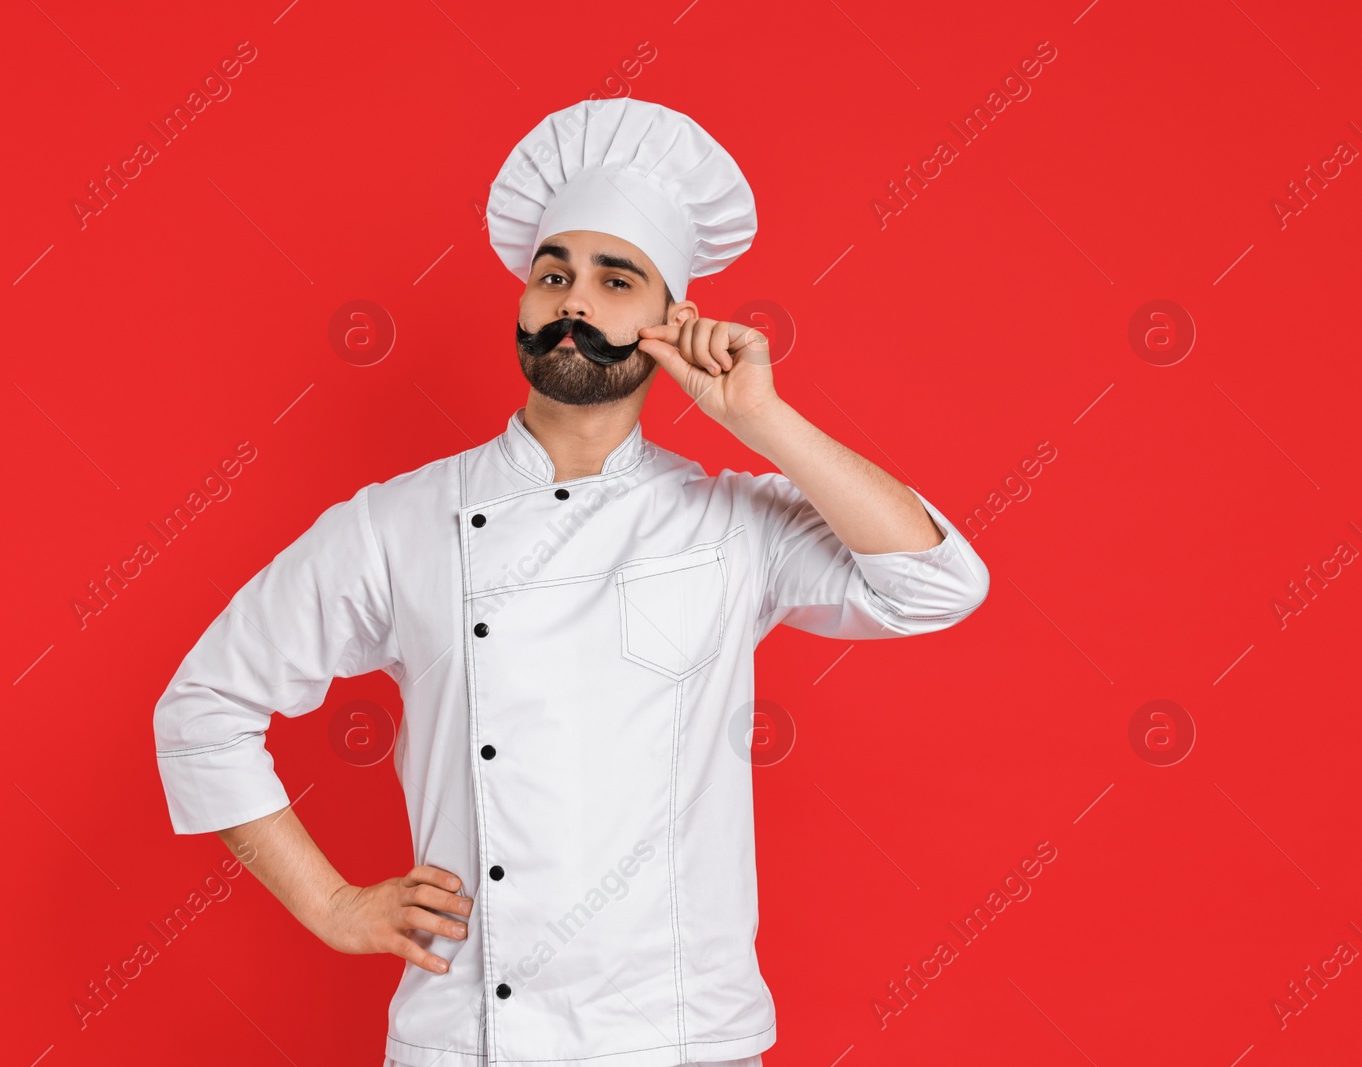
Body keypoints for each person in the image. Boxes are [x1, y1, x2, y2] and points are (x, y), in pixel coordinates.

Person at [152, 97, 990, 1067]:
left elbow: (935, 584)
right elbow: (204, 705)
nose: (573, 304)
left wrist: (760, 421)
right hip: (467, 1039)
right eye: (552, 275)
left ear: (671, 317)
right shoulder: (397, 521)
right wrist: (331, 902)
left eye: (613, 277)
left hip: (686, 1037)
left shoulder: (729, 519)